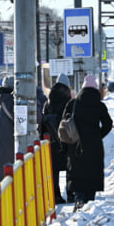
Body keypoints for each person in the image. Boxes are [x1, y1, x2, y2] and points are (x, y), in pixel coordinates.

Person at [63, 73, 114, 207]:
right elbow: (108, 124)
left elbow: (63, 124)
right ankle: (90, 201)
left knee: (77, 171)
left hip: (76, 145)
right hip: (94, 146)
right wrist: (98, 135)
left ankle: (79, 197)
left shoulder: (73, 104)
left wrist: (65, 145)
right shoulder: (99, 105)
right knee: (92, 171)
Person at [42, 74, 73, 204]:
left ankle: (55, 196)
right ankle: (71, 194)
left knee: (53, 170)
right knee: (70, 168)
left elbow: (43, 121)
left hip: (52, 141)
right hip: (67, 140)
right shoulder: (69, 102)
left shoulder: (47, 102)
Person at [0, 81, 15, 180]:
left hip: (0, 139)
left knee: (3, 170)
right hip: (11, 139)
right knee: (12, 169)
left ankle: (4, 193)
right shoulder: (10, 101)